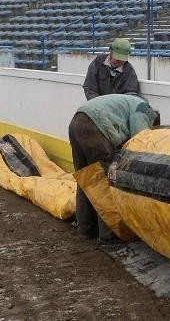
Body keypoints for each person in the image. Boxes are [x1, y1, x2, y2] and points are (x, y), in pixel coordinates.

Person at [68, 93, 159, 245]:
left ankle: (86, 229)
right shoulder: (144, 108)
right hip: (94, 127)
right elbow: (140, 139)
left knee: (86, 179)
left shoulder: (123, 103)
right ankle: (108, 234)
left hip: (77, 123)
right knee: (106, 180)